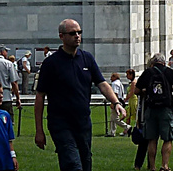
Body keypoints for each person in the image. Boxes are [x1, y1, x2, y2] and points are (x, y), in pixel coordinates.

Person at [32, 19, 123, 171]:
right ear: (62, 36)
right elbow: (40, 96)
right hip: (60, 123)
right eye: (72, 33)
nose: (77, 36)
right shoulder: (51, 63)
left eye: (79, 32)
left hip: (83, 123)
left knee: (85, 163)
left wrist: (116, 102)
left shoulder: (87, 58)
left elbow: (102, 83)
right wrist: (39, 131)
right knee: (72, 164)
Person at [135, 52, 173, 171]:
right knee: (167, 138)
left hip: (151, 109)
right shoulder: (169, 71)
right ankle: (165, 165)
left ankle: (152, 166)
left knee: (152, 139)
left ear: (153, 62)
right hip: (165, 109)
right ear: (164, 61)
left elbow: (136, 91)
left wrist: (146, 91)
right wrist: (170, 88)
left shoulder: (148, 72)